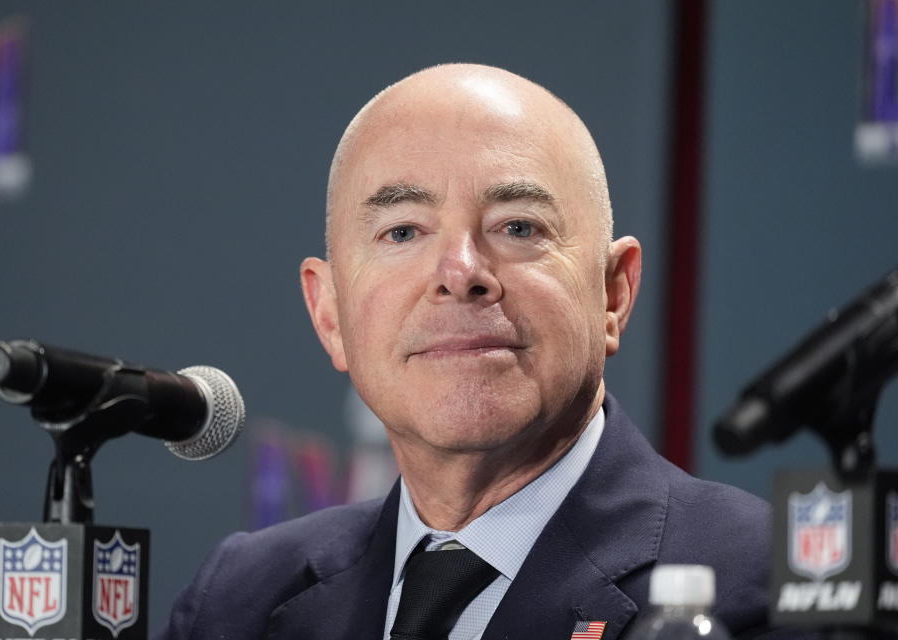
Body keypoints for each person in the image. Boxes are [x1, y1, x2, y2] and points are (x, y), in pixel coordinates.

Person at [155, 64, 792, 640]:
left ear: (612, 292)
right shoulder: (236, 604)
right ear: (329, 314)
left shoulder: (765, 589)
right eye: (402, 231)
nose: (460, 272)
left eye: (519, 227)